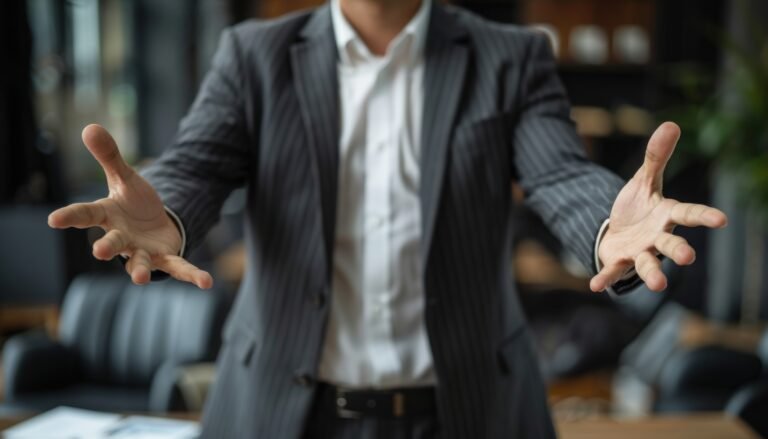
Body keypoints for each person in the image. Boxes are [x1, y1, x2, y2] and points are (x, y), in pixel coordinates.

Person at [48, 0, 727, 437]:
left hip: (467, 410)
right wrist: (162, 213)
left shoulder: (508, 57)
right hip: (283, 411)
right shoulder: (254, 56)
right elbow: (195, 165)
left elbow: (559, 172)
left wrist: (609, 228)